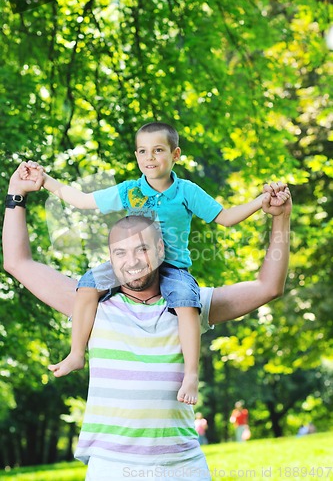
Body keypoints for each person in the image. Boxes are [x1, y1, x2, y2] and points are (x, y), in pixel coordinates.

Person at [3, 165, 291, 480]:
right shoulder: (91, 304)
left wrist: (281, 219)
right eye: (121, 253)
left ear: (160, 249)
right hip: (111, 467)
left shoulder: (189, 306)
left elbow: (268, 287)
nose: (133, 261)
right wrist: (16, 195)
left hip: (183, 466)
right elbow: (18, 262)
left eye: (142, 249)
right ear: (110, 259)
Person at [19, 122, 289, 406]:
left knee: (187, 301)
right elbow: (83, 201)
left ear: (175, 155)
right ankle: (76, 353)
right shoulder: (130, 191)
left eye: (158, 150)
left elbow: (226, 217)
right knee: (87, 284)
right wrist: (45, 179)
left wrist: (262, 202)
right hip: (133, 264)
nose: (150, 158)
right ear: (136, 156)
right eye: (143, 151)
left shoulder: (186, 191)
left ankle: (191, 374)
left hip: (171, 268)